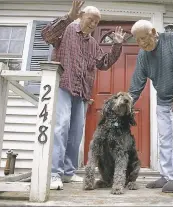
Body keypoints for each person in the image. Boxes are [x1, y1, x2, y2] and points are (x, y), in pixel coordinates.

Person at [41, 1, 126, 190]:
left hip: (82, 91)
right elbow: (46, 35)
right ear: (81, 17)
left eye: (96, 22)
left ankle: (68, 173)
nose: (93, 24)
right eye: (90, 20)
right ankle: (54, 173)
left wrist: (117, 46)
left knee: (76, 132)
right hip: (63, 85)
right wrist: (69, 16)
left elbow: (104, 63)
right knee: (61, 126)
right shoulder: (67, 29)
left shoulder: (93, 43)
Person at [129, 20, 173, 193]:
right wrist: (127, 105)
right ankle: (166, 175)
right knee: (164, 139)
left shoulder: (172, 40)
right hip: (162, 100)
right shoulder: (143, 55)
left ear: (153, 32)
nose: (141, 43)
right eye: (137, 40)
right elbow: (136, 84)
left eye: (143, 38)